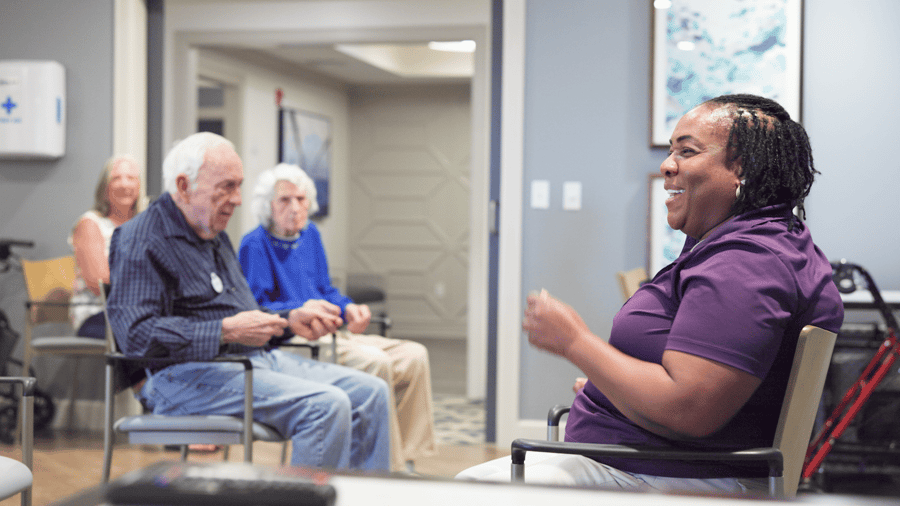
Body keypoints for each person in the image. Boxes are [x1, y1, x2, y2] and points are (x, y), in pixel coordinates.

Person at [457, 94, 844, 493]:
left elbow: (688, 408)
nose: (666, 164)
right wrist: (613, 385)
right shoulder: (757, 241)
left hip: (672, 475)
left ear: (740, 169)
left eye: (687, 151)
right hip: (655, 462)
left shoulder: (748, 264)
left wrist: (576, 342)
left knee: (459, 491)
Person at [106, 132, 391, 471]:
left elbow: (242, 316)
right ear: (183, 186)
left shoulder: (212, 233)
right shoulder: (141, 239)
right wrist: (224, 331)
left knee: (372, 393)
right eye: (226, 187)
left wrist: (287, 320)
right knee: (326, 406)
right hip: (179, 377)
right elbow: (137, 335)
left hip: (248, 361)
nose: (238, 199)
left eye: (239, 186)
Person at [238, 164, 437, 472]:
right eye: (285, 200)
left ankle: (406, 458)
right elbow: (259, 308)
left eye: (301, 199)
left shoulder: (311, 235)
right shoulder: (255, 244)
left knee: (414, 356)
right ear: (267, 206)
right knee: (376, 362)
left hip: (330, 334)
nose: (296, 208)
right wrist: (305, 309)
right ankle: (384, 469)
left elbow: (326, 290)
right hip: (292, 342)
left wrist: (348, 309)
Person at [69, 155, 141, 339]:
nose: (125, 184)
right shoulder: (91, 223)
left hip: (140, 311)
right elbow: (99, 284)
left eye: (131, 178)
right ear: (104, 188)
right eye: (116, 178)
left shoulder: (145, 226)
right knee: (152, 334)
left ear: (139, 187)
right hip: (97, 315)